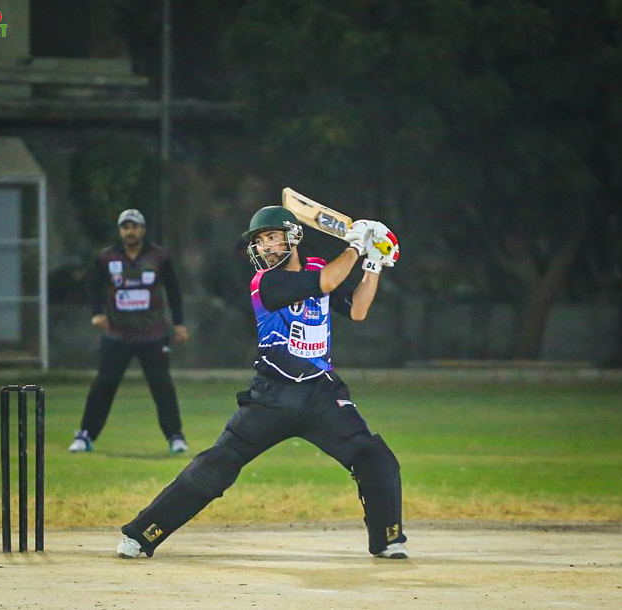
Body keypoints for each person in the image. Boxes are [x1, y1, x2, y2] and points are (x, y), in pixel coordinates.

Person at [115, 205, 407, 559]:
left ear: (293, 237)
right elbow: (327, 282)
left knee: (375, 458)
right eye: (259, 241)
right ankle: (140, 535)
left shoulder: (317, 267)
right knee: (217, 466)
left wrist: (373, 263)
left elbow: (358, 310)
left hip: (322, 393)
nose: (265, 246)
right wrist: (356, 246)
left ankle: (388, 539)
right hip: (272, 396)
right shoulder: (265, 283)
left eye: (271, 237)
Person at [68, 208, 190, 455]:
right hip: (117, 334)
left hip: (153, 334)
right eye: (125, 227)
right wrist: (97, 313)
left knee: (162, 386)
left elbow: (173, 290)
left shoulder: (159, 256)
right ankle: (85, 435)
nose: (130, 232)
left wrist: (179, 323)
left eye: (134, 227)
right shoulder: (107, 257)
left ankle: (175, 437)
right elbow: (93, 286)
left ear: (143, 230)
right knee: (104, 384)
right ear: (120, 230)